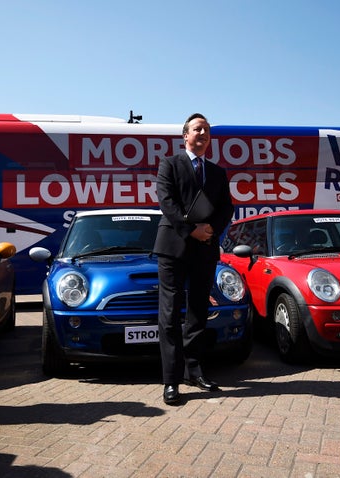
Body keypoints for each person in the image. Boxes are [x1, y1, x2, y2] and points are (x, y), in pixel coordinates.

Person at [153, 113, 235, 404]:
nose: (203, 134)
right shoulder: (170, 164)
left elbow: (227, 206)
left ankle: (194, 371)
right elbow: (167, 201)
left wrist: (211, 230)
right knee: (170, 314)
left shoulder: (216, 172)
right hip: (173, 247)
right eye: (197, 129)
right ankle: (171, 381)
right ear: (185, 135)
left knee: (199, 311)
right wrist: (192, 230)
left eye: (207, 131)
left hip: (206, 247)